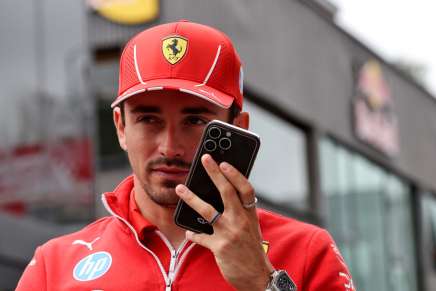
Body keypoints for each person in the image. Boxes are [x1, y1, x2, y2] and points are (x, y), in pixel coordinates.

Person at [16, 20, 356, 291]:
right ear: (120, 127)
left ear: (238, 126)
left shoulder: (307, 250)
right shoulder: (54, 266)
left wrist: (264, 283)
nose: (169, 147)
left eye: (195, 121)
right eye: (148, 119)